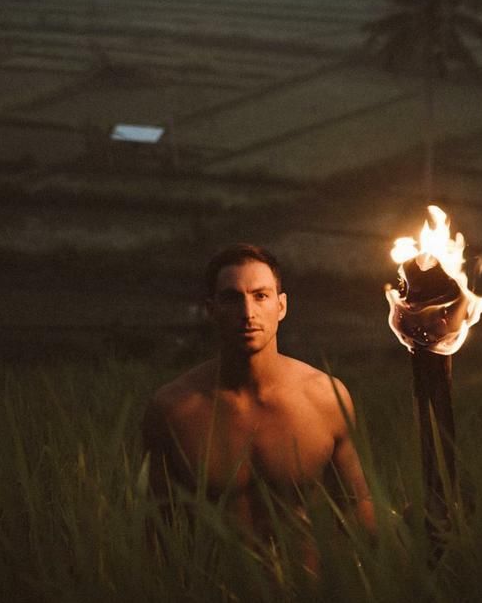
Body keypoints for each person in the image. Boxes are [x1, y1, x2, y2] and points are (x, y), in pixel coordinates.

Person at [142, 243, 375, 567]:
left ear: (281, 306)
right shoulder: (174, 409)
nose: (248, 312)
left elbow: (358, 508)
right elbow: (158, 530)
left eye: (260, 296)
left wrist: (415, 534)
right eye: (232, 297)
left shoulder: (324, 397)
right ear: (211, 309)